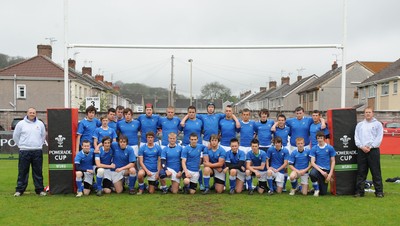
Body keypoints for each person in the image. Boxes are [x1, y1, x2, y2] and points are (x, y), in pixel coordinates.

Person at [13, 107, 47, 197]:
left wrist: (39, 145)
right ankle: (20, 190)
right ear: (27, 113)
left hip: (37, 151)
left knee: (38, 171)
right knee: (23, 171)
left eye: (34, 113)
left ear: (36, 114)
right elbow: (15, 136)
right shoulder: (21, 124)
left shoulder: (40, 124)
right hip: (24, 151)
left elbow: (43, 135)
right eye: (30, 112)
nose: (32, 114)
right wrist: (21, 145)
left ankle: (39, 190)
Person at [354, 107, 384, 198]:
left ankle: (379, 192)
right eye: (366, 112)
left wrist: (370, 147)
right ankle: (360, 191)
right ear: (364, 113)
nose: (367, 114)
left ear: (373, 113)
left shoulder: (378, 124)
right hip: (362, 150)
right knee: (361, 172)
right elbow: (356, 137)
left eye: (369, 112)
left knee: (376, 172)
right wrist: (361, 146)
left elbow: (379, 137)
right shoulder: (360, 125)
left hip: (373, 151)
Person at [309, 131, 336, 196]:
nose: (320, 140)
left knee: (323, 193)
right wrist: (321, 172)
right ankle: (316, 189)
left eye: (321, 138)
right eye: (318, 138)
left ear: (324, 138)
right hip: (318, 169)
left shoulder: (330, 148)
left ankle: (318, 187)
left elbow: (333, 161)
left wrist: (330, 174)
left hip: (326, 170)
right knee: (312, 174)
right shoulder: (314, 148)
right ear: (316, 139)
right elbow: (312, 162)